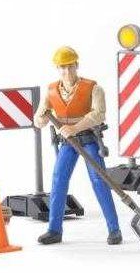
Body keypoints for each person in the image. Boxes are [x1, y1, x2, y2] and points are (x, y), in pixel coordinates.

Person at [33, 46, 122, 245]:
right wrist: (42, 118)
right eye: (62, 67)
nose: (67, 71)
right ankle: (54, 230)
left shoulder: (93, 88)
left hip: (88, 139)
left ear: (76, 65)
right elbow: (39, 118)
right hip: (67, 142)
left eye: (70, 66)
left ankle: (114, 229)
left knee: (99, 180)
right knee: (58, 181)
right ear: (58, 69)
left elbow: (98, 114)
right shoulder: (51, 91)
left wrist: (74, 128)